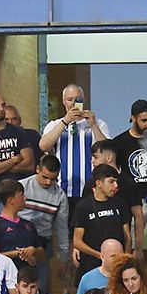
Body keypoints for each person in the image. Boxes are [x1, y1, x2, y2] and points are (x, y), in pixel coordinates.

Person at [39, 83, 111, 211]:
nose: (73, 103)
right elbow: (43, 145)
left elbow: (108, 152)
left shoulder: (98, 123)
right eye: (69, 99)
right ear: (63, 102)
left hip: (92, 191)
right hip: (62, 191)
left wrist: (93, 125)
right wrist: (65, 121)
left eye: (77, 99)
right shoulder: (54, 124)